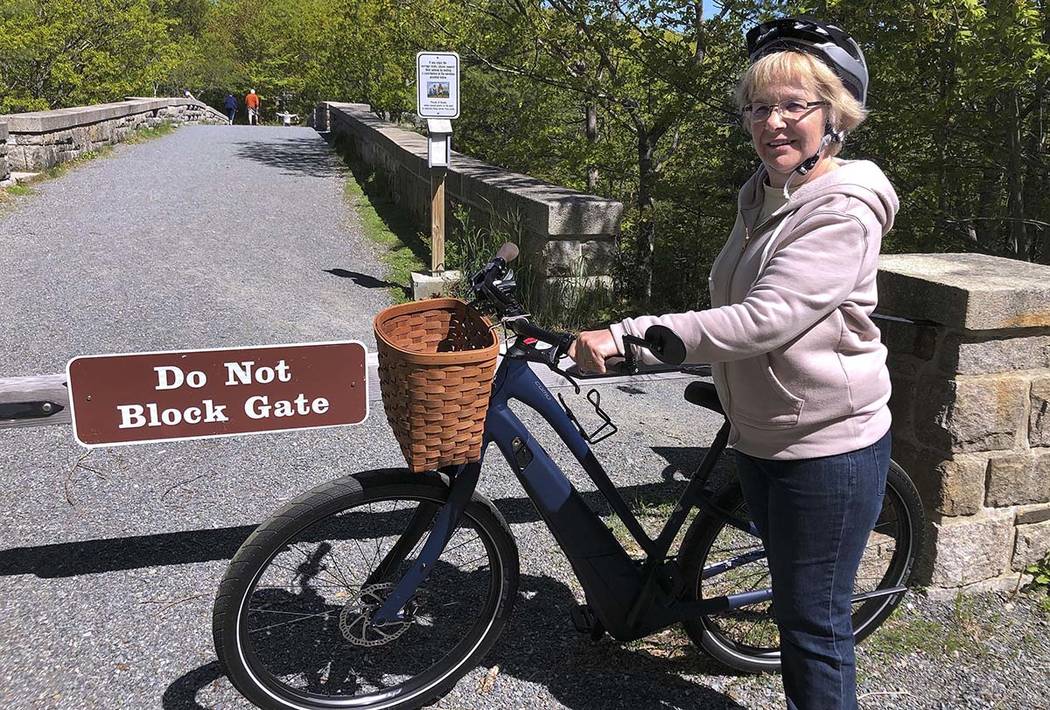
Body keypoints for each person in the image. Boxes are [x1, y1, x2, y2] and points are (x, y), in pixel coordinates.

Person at [569, 16, 898, 710]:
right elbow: (731, 303)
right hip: (763, 432)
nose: (771, 122)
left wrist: (629, 335)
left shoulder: (842, 209)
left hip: (827, 446)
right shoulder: (763, 197)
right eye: (758, 107)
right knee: (792, 596)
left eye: (792, 106)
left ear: (835, 115)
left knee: (811, 624)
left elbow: (765, 319)